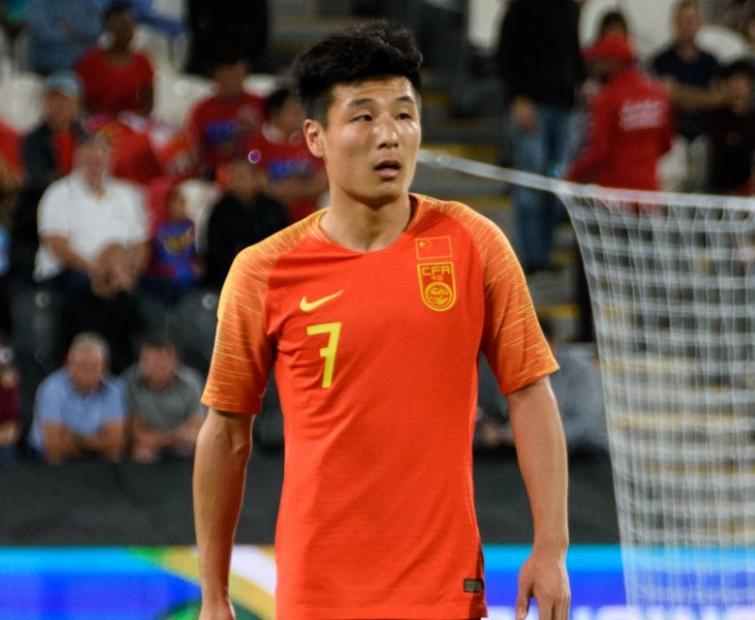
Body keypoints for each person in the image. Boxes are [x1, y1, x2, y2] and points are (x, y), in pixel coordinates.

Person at [194, 23, 570, 620]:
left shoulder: (474, 243)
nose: (389, 135)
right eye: (364, 117)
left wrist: (551, 549)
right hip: (316, 594)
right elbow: (226, 433)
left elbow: (528, 392)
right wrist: (214, 594)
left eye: (404, 114)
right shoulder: (263, 271)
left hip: (444, 591)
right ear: (315, 137)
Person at [34, 136, 148, 372]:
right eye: (89, 161)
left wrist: (127, 272)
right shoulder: (59, 194)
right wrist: (97, 269)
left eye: (100, 161)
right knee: (91, 296)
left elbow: (140, 244)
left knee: (142, 298)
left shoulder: (127, 195)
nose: (95, 167)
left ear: (109, 161)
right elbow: (57, 245)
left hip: (117, 273)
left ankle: (125, 369)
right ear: (77, 161)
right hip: (70, 272)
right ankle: (82, 368)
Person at [495, 0, 585, 274]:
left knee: (554, 185)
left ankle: (543, 253)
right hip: (533, 107)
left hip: (563, 108)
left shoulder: (568, 8)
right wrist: (518, 97)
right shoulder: (521, 7)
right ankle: (529, 255)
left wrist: (580, 86)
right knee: (530, 184)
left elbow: (572, 52)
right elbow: (506, 53)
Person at [567, 33, 673, 190]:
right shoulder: (657, 95)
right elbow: (666, 144)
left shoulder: (607, 98)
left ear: (612, 63)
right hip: (649, 191)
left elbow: (599, 153)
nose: (595, 67)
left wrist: (570, 175)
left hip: (614, 192)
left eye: (599, 61)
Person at [11, 71, 87, 285]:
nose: (58, 106)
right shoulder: (32, 140)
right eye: (52, 99)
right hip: (40, 212)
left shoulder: (88, 139)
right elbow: (37, 179)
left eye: (64, 100)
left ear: (77, 104)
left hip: (83, 212)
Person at [651, 0, 722, 191]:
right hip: (673, 136)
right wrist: (702, 97)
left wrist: (679, 93)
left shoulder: (711, 62)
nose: (686, 26)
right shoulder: (661, 60)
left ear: (698, 23)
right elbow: (662, 96)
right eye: (682, 21)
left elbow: (718, 98)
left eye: (690, 20)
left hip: (703, 136)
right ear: (675, 24)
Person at [29, 332, 125, 464]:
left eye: (95, 366)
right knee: (54, 457)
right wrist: (98, 441)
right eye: (82, 366)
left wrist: (76, 440)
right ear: (69, 364)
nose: (88, 372)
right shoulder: (51, 388)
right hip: (47, 460)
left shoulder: (114, 389)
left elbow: (115, 444)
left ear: (104, 367)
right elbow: (54, 446)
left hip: (97, 459)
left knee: (115, 458)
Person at [244, 87, 328, 222]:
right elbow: (259, 185)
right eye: (293, 112)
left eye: (300, 111)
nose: (300, 116)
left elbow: (323, 182)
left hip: (309, 218)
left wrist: (287, 190)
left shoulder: (311, 140)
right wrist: (303, 188)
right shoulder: (256, 144)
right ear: (275, 114)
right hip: (269, 220)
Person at [203, 157, 287, 289]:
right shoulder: (220, 210)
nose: (237, 181)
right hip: (231, 276)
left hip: (269, 272)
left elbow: (285, 243)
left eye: (242, 176)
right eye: (233, 177)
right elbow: (215, 250)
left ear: (255, 179)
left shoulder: (273, 207)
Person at [123, 334, 204, 463]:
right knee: (140, 452)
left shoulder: (191, 382)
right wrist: (173, 436)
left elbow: (197, 427)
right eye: (151, 363)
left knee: (201, 447)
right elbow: (136, 435)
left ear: (175, 363)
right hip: (150, 444)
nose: (157, 368)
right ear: (141, 363)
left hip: (183, 442)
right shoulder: (130, 382)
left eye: (163, 362)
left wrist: (175, 438)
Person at [187, 49, 265, 179]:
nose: (231, 83)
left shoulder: (261, 104)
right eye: (226, 78)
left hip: (253, 174)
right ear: (215, 78)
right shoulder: (201, 110)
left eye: (236, 77)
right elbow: (194, 149)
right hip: (214, 174)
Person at [74, 1, 155, 117]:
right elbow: (79, 100)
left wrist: (132, 120)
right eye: (119, 26)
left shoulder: (143, 61)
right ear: (108, 29)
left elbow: (148, 104)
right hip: (95, 123)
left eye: (128, 26)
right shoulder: (91, 60)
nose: (124, 32)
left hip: (132, 123)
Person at [704, 59, 755, 194]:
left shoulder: (752, 118)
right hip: (718, 187)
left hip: (748, 188)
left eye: (743, 82)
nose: (738, 87)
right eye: (734, 81)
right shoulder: (715, 115)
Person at [25, 0, 103, 76]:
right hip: (48, 66)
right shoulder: (38, 4)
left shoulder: (82, 4)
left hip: (81, 64)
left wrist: (70, 30)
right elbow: (44, 34)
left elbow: (94, 31)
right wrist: (75, 35)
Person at [0, 343, 20, 464]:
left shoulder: (8, 385)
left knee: (7, 453)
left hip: (4, 448)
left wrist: (9, 390)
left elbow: (12, 432)